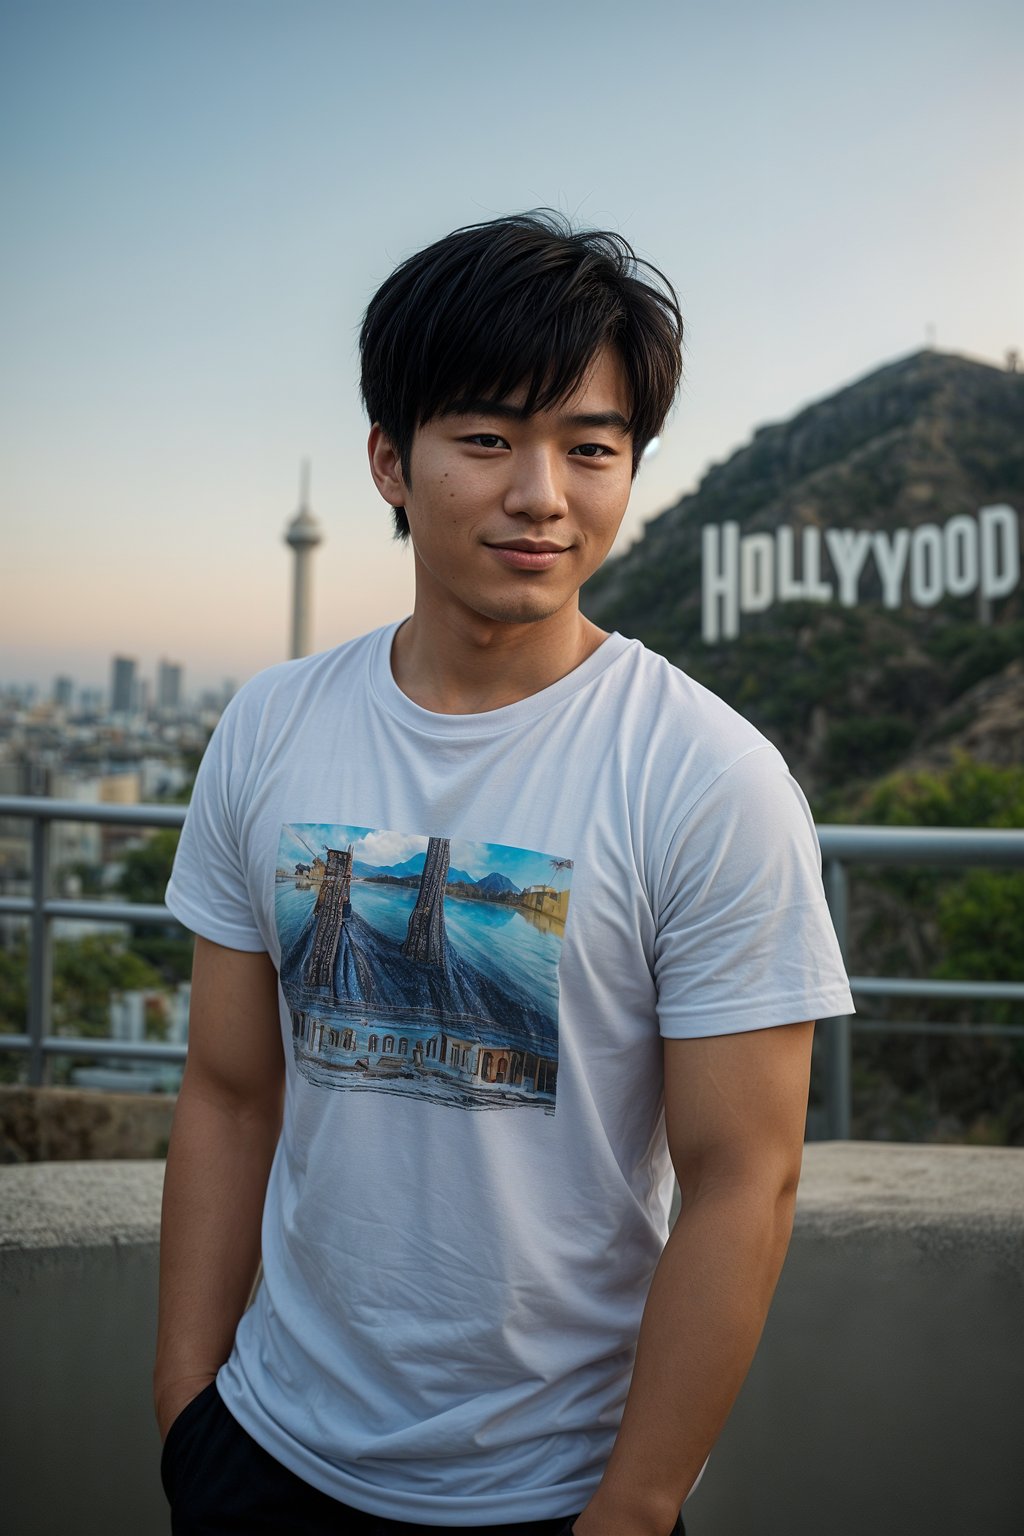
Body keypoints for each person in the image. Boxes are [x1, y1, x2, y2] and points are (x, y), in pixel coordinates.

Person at [155, 211, 853, 1536]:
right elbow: (231, 1090)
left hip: (556, 1494)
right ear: (390, 461)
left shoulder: (707, 775)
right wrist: (186, 1402)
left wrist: (633, 1510)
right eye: (487, 438)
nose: (542, 490)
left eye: (590, 447)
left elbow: (741, 1179)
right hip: (263, 1453)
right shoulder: (271, 726)